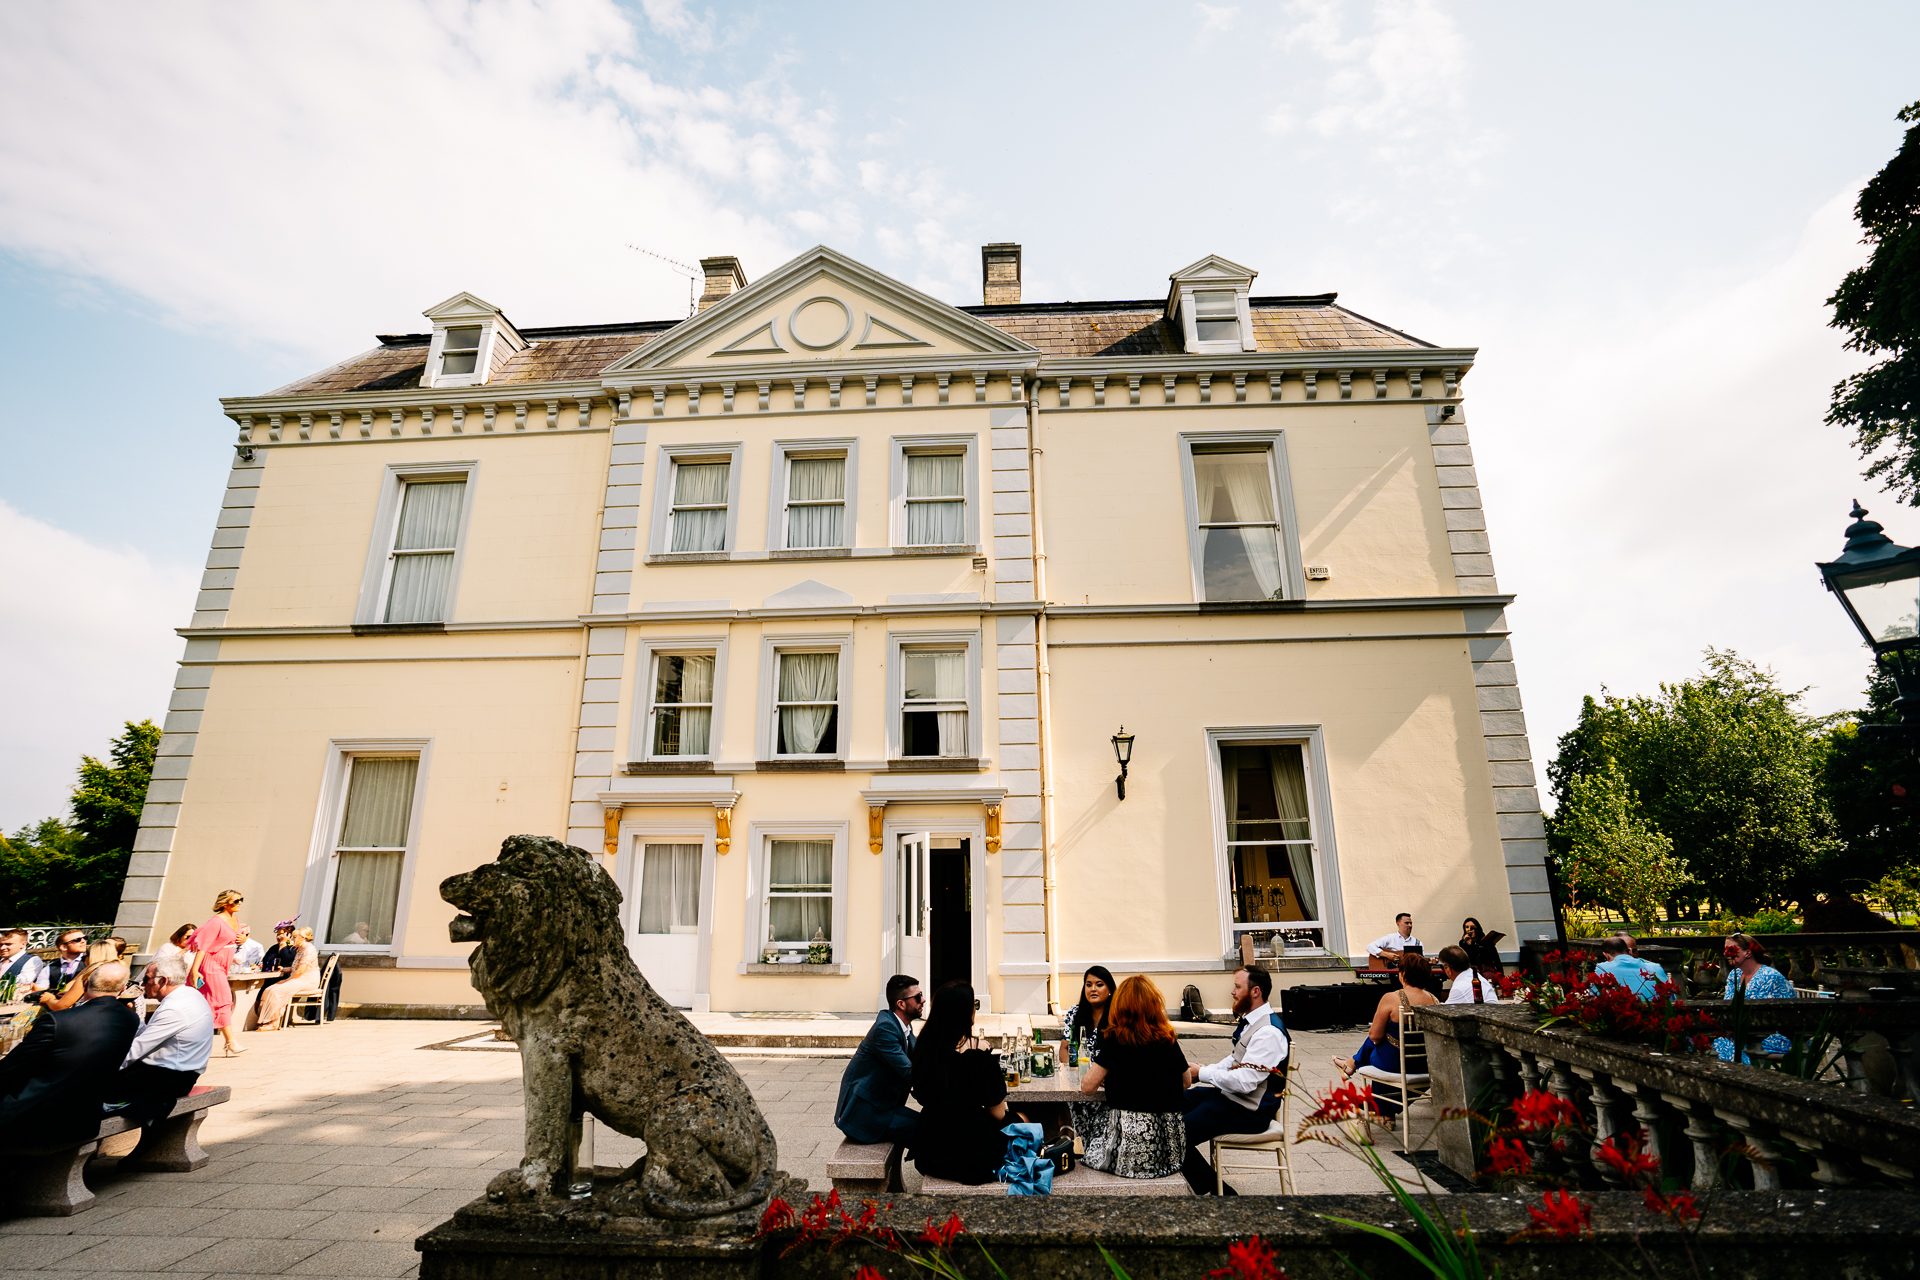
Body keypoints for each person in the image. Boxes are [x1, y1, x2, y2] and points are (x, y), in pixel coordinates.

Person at [0, 962, 138, 1146]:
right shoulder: (130, 1019)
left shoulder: (58, 1020)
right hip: (84, 1118)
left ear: (86, 982)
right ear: (121, 990)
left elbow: (13, 1067)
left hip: (37, 1119)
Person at [1178, 965, 1288, 1195]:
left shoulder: (1269, 1032)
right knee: (1168, 1102)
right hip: (1231, 1099)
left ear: (1255, 992)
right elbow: (1233, 1060)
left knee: (1175, 1134)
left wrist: (1203, 1074)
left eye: (1238, 987)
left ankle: (1220, 1194)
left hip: (1250, 1111)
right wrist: (1202, 1069)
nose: (1233, 992)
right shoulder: (1253, 1021)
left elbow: (1245, 1082)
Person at [1079, 975, 1188, 1179]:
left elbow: (1087, 1087)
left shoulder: (1116, 1039)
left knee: (1080, 1108)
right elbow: (1186, 1081)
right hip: (1170, 1153)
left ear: (1120, 1006)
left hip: (1128, 1154)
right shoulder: (1167, 1038)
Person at [909, 980, 1014, 1185]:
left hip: (930, 1147)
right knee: (1023, 1120)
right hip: (971, 1152)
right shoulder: (978, 1057)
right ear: (966, 1012)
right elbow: (998, 1113)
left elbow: (921, 1094)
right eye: (974, 1004)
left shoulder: (923, 1048)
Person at [106, 952, 215, 1125]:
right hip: (178, 1073)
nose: (142, 984)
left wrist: (103, 1070)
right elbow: (148, 1035)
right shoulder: (187, 994)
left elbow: (137, 1049)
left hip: (170, 1078)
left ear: (163, 981)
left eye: (147, 979)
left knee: (91, 1088)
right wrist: (133, 1016)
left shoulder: (175, 1007)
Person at [834, 973, 922, 1146]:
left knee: (933, 1124)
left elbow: (921, 1056)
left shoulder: (902, 1024)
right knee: (930, 1127)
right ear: (901, 1004)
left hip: (882, 1106)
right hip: (863, 1116)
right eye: (918, 997)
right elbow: (910, 1072)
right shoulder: (885, 1029)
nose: (923, 1000)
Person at [1333, 952, 1440, 1081]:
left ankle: (1354, 1067)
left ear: (1403, 974)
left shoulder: (1392, 998)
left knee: (1376, 1042)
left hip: (1397, 1063)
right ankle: (1352, 1065)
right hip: (1425, 1063)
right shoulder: (1434, 1000)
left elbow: (1375, 1037)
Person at [1713, 933, 1793, 1063]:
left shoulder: (1770, 977)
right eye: (1725, 949)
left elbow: (1765, 1016)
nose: (1725, 953)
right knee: (1703, 1043)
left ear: (1748, 953)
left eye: (1730, 949)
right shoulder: (1735, 975)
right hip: (1740, 1034)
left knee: (1726, 1048)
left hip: (1773, 1036)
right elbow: (1728, 1008)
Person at [186, 888, 247, 1057]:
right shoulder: (216, 922)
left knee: (207, 1002)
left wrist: (244, 939)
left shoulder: (235, 919)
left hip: (224, 964)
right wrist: (194, 970)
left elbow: (236, 938)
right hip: (211, 964)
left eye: (241, 899)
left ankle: (190, 1039)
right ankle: (230, 1041)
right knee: (224, 1000)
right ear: (225, 903)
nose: (240, 903)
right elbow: (203, 946)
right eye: (236, 901)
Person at [1058, 965, 1115, 1141]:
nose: (1093, 989)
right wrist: (1074, 1073)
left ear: (1110, 989)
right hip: (1079, 1082)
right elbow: (1064, 1049)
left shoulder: (1117, 1014)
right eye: (1088, 984)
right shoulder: (1075, 1013)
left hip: (1106, 1084)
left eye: (1099, 984)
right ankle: (1071, 1141)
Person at [255, 927, 321, 1030]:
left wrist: (286, 981)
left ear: (302, 938)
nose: (292, 939)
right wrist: (284, 969)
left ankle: (274, 1022)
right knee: (268, 990)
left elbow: (300, 971)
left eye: (294, 937)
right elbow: (295, 967)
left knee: (277, 990)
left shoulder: (308, 950)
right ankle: (272, 1020)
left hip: (307, 980)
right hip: (299, 978)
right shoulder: (300, 949)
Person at [39, 940, 122, 1012]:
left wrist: (49, 999)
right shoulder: (119, 972)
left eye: (84, 957)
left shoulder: (89, 974)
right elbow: (66, 989)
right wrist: (69, 994)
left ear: (91, 957)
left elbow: (60, 1006)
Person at [1594, 935, 1667, 1001]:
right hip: (1661, 1013)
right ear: (1630, 951)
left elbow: (1593, 998)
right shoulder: (1656, 968)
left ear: (1606, 955)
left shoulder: (1601, 968)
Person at [44, 928, 90, 997]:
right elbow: (39, 990)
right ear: (63, 947)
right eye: (77, 939)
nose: (83, 941)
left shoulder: (89, 962)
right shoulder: (49, 968)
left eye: (84, 938)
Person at [0, 929, 47, 993]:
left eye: (8, 944)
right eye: (0, 945)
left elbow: (20, 984)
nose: (2, 948)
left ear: (23, 944)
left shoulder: (32, 961)